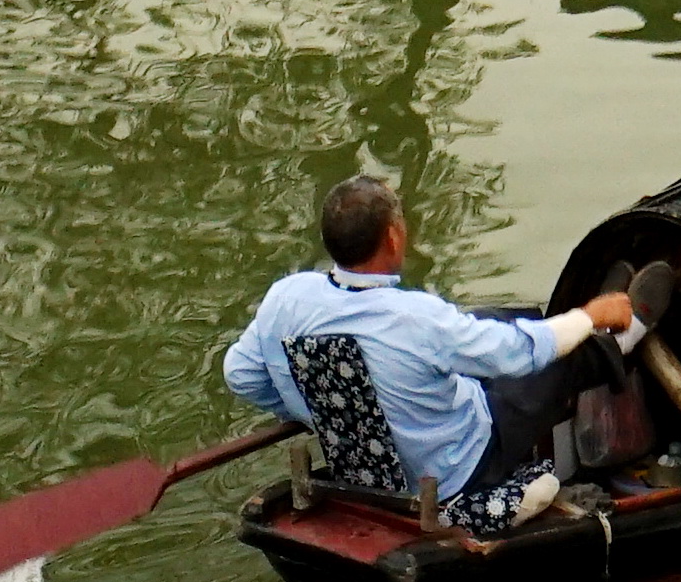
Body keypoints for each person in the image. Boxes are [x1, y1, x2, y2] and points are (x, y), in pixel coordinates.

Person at [221, 172, 638, 519]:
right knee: (546, 364)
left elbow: (240, 374)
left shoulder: (286, 298)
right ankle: (622, 336)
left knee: (490, 323)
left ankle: (584, 327)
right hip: (457, 467)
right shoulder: (416, 319)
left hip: (366, 466)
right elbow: (520, 356)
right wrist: (590, 315)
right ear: (393, 237)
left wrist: (316, 410)